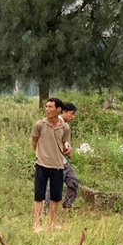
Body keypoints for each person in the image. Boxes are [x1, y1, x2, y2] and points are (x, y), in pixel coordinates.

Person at [31, 98, 71, 232]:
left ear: (58, 109)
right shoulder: (40, 125)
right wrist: (40, 154)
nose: (47, 109)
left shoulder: (65, 127)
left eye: (50, 107)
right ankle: (37, 223)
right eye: (46, 107)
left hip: (58, 165)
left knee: (56, 196)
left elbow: (65, 143)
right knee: (39, 195)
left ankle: (51, 223)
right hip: (42, 164)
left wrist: (68, 150)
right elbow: (34, 141)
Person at [60, 102, 79, 209]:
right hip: (56, 161)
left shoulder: (65, 125)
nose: (73, 117)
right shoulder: (57, 124)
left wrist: (69, 147)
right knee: (53, 186)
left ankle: (67, 204)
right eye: (71, 114)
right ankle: (47, 210)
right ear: (64, 112)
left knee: (73, 181)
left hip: (64, 160)